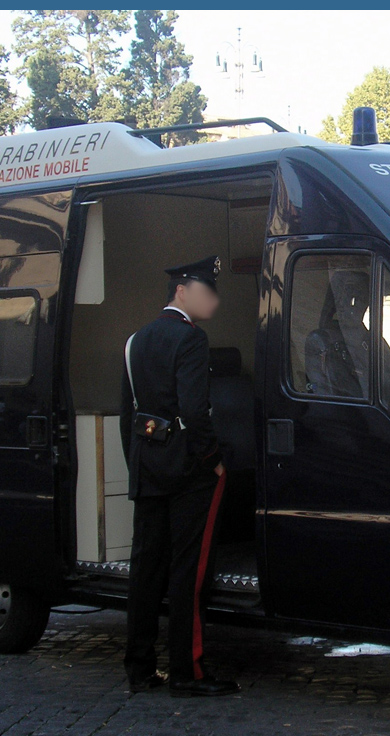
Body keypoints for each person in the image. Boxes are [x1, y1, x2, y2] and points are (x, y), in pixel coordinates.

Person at [119, 255, 240, 698]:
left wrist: (138, 464)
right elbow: (194, 410)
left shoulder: (136, 340)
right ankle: (188, 672)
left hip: (147, 466)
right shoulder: (191, 339)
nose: (213, 298)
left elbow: (126, 413)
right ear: (181, 291)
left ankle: (139, 668)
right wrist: (213, 459)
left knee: (145, 569)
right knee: (189, 570)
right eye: (206, 288)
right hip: (188, 471)